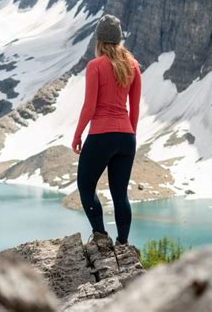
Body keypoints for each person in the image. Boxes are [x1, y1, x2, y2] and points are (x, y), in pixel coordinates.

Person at [71, 13, 141, 249]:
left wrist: (78, 134)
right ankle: (123, 243)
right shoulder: (133, 67)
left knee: (85, 186)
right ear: (119, 40)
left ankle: (100, 236)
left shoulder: (95, 66)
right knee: (120, 194)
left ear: (99, 40)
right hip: (126, 137)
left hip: (101, 135)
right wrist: (131, 136)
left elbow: (89, 107)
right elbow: (135, 108)